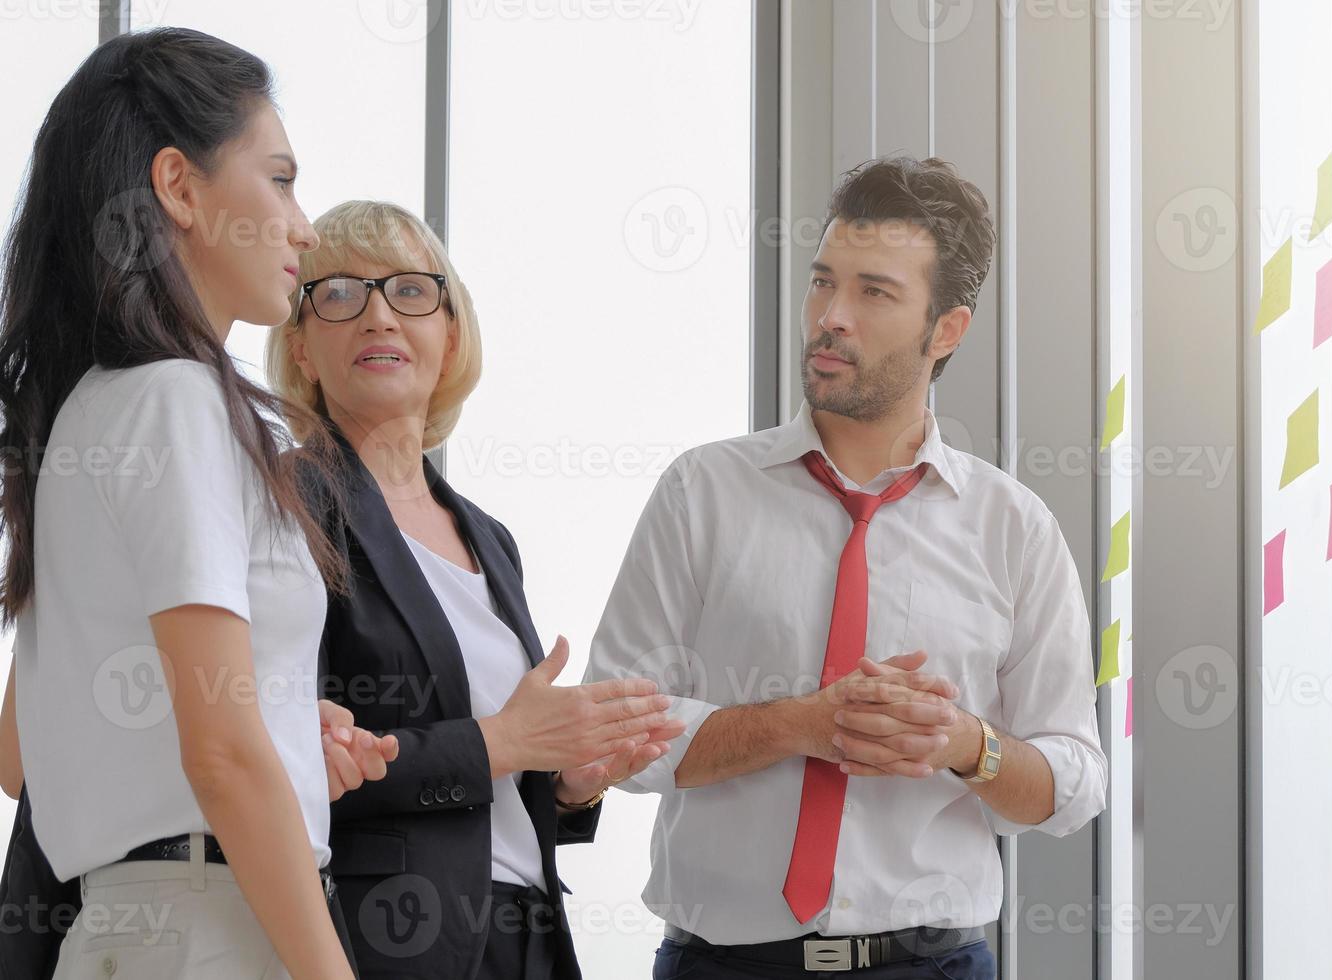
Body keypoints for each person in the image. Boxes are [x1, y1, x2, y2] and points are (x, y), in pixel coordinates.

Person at [582, 157, 1109, 979]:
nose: (831, 317)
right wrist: (802, 724)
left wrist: (967, 743)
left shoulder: (1015, 529)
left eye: (875, 293)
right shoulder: (702, 493)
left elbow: (1072, 785)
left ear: (947, 331)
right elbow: (613, 738)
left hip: (932, 964)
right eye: (823, 282)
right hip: (722, 966)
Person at [0, 28, 396, 980]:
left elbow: (22, 755)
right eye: (283, 179)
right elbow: (219, 758)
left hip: (129, 933)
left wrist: (286, 731)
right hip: (217, 929)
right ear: (178, 187)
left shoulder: (90, 408)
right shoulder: (179, 400)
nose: (305, 226)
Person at [268, 199, 685, 979]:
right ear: (300, 345)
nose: (379, 316)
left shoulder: (490, 538)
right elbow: (275, 758)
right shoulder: (283, 504)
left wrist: (565, 784)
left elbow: (493, 790)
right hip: (387, 940)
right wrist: (506, 741)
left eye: (411, 292)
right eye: (339, 294)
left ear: (450, 334)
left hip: (524, 936)